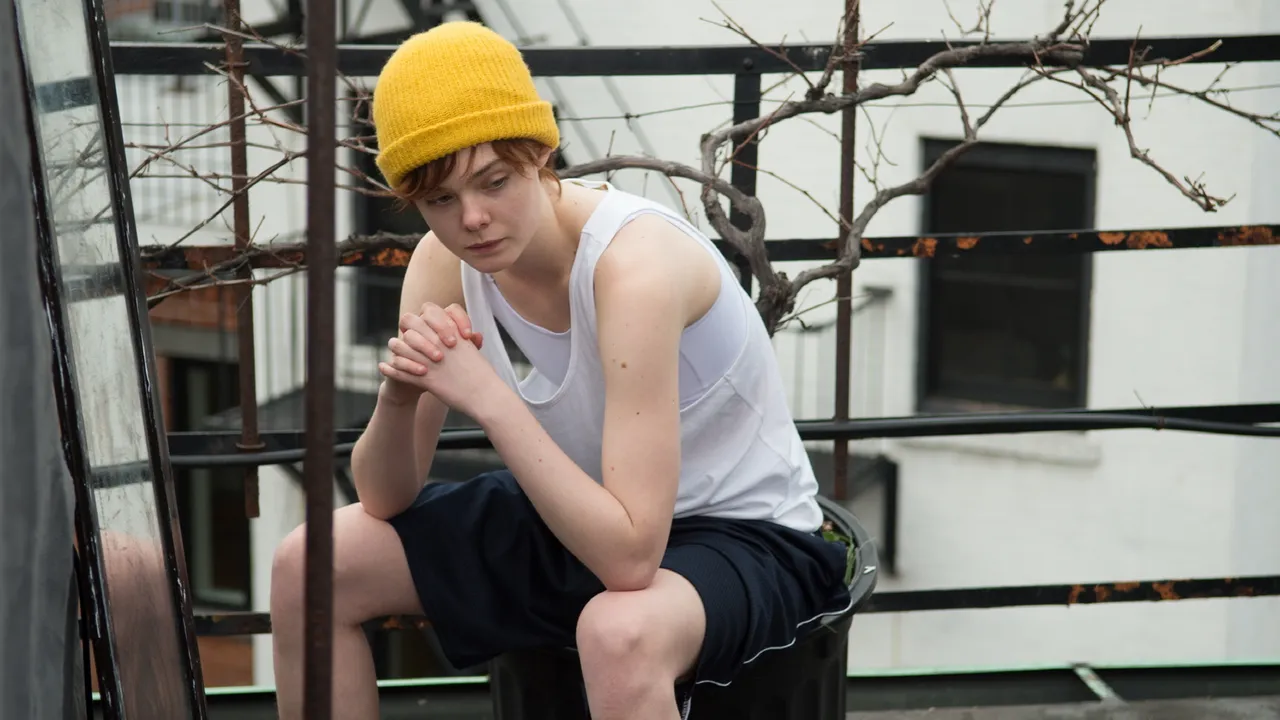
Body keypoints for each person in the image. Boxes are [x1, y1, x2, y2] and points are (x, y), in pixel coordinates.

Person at [269, 20, 853, 720]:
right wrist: (399, 396)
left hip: (743, 532)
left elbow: (631, 561)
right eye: (440, 200)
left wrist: (490, 400)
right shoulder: (442, 262)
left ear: (542, 152)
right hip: (588, 512)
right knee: (310, 566)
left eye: (494, 182)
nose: (473, 219)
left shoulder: (634, 266)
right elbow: (384, 497)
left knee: (619, 632)